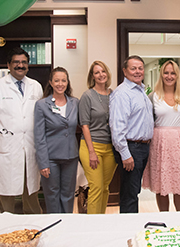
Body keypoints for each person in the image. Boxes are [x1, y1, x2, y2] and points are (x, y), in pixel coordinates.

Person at [0, 47, 43, 214]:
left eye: (24, 62)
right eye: (16, 62)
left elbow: (39, 116)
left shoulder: (35, 86)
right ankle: (6, 232)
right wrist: (0, 136)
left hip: (29, 148)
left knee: (31, 194)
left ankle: (33, 230)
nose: (20, 65)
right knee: (6, 198)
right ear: (8, 65)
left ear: (28, 65)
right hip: (6, 149)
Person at [142, 60, 180, 212]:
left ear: (177, 75)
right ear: (161, 75)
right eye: (166, 72)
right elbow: (148, 121)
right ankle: (164, 217)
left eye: (173, 73)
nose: (169, 76)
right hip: (160, 142)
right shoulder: (153, 96)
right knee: (161, 184)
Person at [109, 55, 154, 213]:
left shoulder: (140, 90)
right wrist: (125, 154)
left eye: (140, 68)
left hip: (141, 148)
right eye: (133, 68)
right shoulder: (122, 93)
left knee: (133, 191)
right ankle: (128, 231)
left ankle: (132, 226)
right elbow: (117, 127)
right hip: (130, 148)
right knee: (129, 194)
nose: (138, 71)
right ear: (124, 71)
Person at [34, 67, 79, 213]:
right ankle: (54, 227)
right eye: (57, 80)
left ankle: (67, 225)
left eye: (63, 80)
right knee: (52, 194)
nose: (60, 84)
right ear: (51, 83)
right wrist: (43, 162)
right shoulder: (42, 105)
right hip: (50, 158)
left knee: (68, 194)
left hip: (70, 156)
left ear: (67, 83)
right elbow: (39, 136)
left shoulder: (75, 103)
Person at [79, 61, 117, 214]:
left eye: (103, 71)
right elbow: (84, 125)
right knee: (96, 187)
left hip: (110, 148)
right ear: (92, 76)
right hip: (91, 146)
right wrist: (92, 151)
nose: (101, 75)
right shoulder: (87, 96)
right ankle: (91, 225)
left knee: (105, 187)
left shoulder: (113, 94)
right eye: (97, 72)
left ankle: (101, 221)